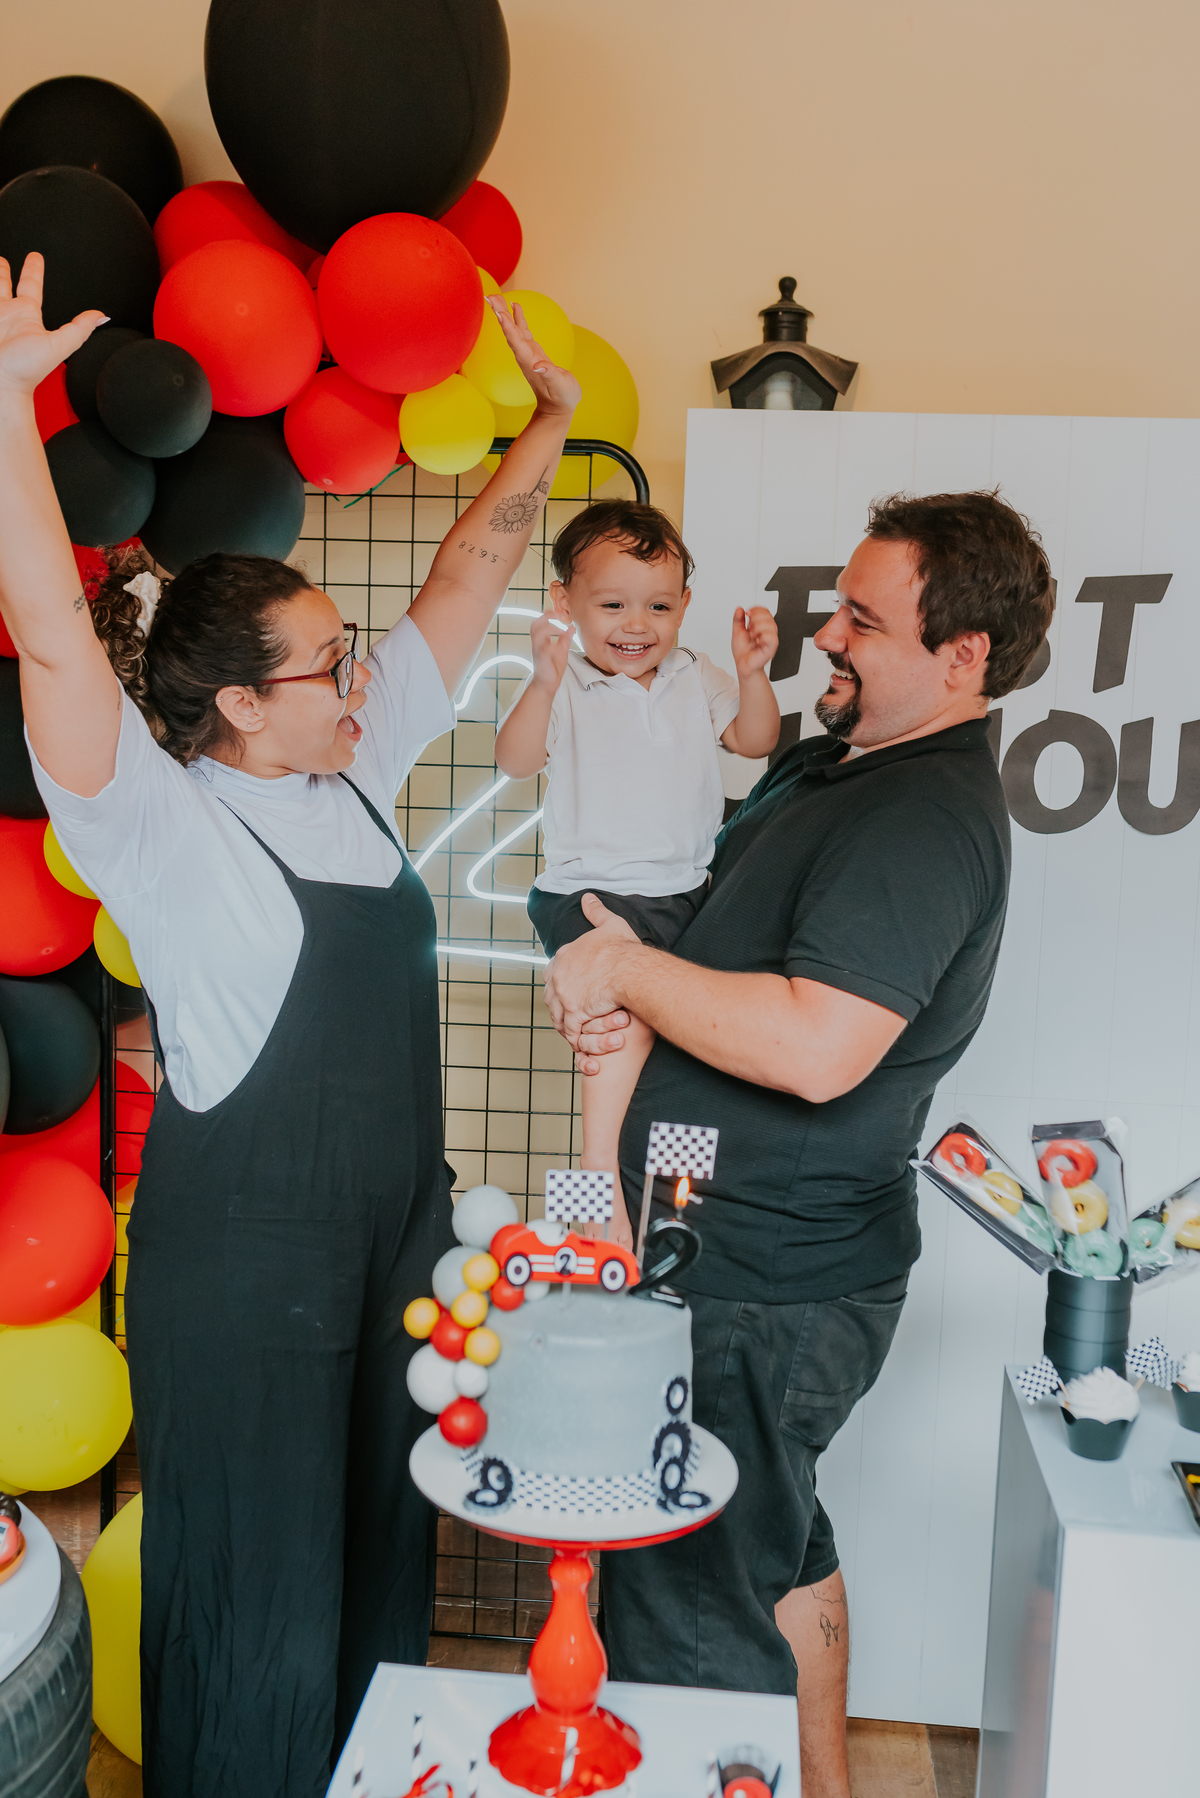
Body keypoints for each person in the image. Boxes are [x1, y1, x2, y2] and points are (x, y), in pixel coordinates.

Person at [0, 254, 580, 1798]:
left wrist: (547, 427)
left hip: (392, 1246)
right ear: (241, 706)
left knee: (380, 1568)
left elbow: (466, 576)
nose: (361, 674)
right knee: (254, 1599)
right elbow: (56, 635)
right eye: (328, 660)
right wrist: (1, 408)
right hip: (242, 1269)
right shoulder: (157, 824)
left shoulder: (349, 768)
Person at [542, 491, 1054, 1798]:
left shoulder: (923, 819)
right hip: (718, 1248)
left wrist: (625, 966)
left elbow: (822, 1044)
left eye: (864, 619)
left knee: (695, 1614)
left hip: (764, 1284)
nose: (829, 633)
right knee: (775, 1544)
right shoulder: (836, 766)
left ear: (963, 656)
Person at [494, 501, 779, 1239]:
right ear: (565, 603)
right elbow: (515, 760)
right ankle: (596, 1196)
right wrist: (543, 680)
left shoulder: (693, 675)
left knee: (686, 1049)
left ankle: (673, 1208)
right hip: (590, 895)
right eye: (612, 604)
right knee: (619, 1030)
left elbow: (754, 741)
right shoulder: (566, 688)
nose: (636, 624)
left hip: (684, 895)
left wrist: (753, 674)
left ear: (684, 605)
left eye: (658, 605)